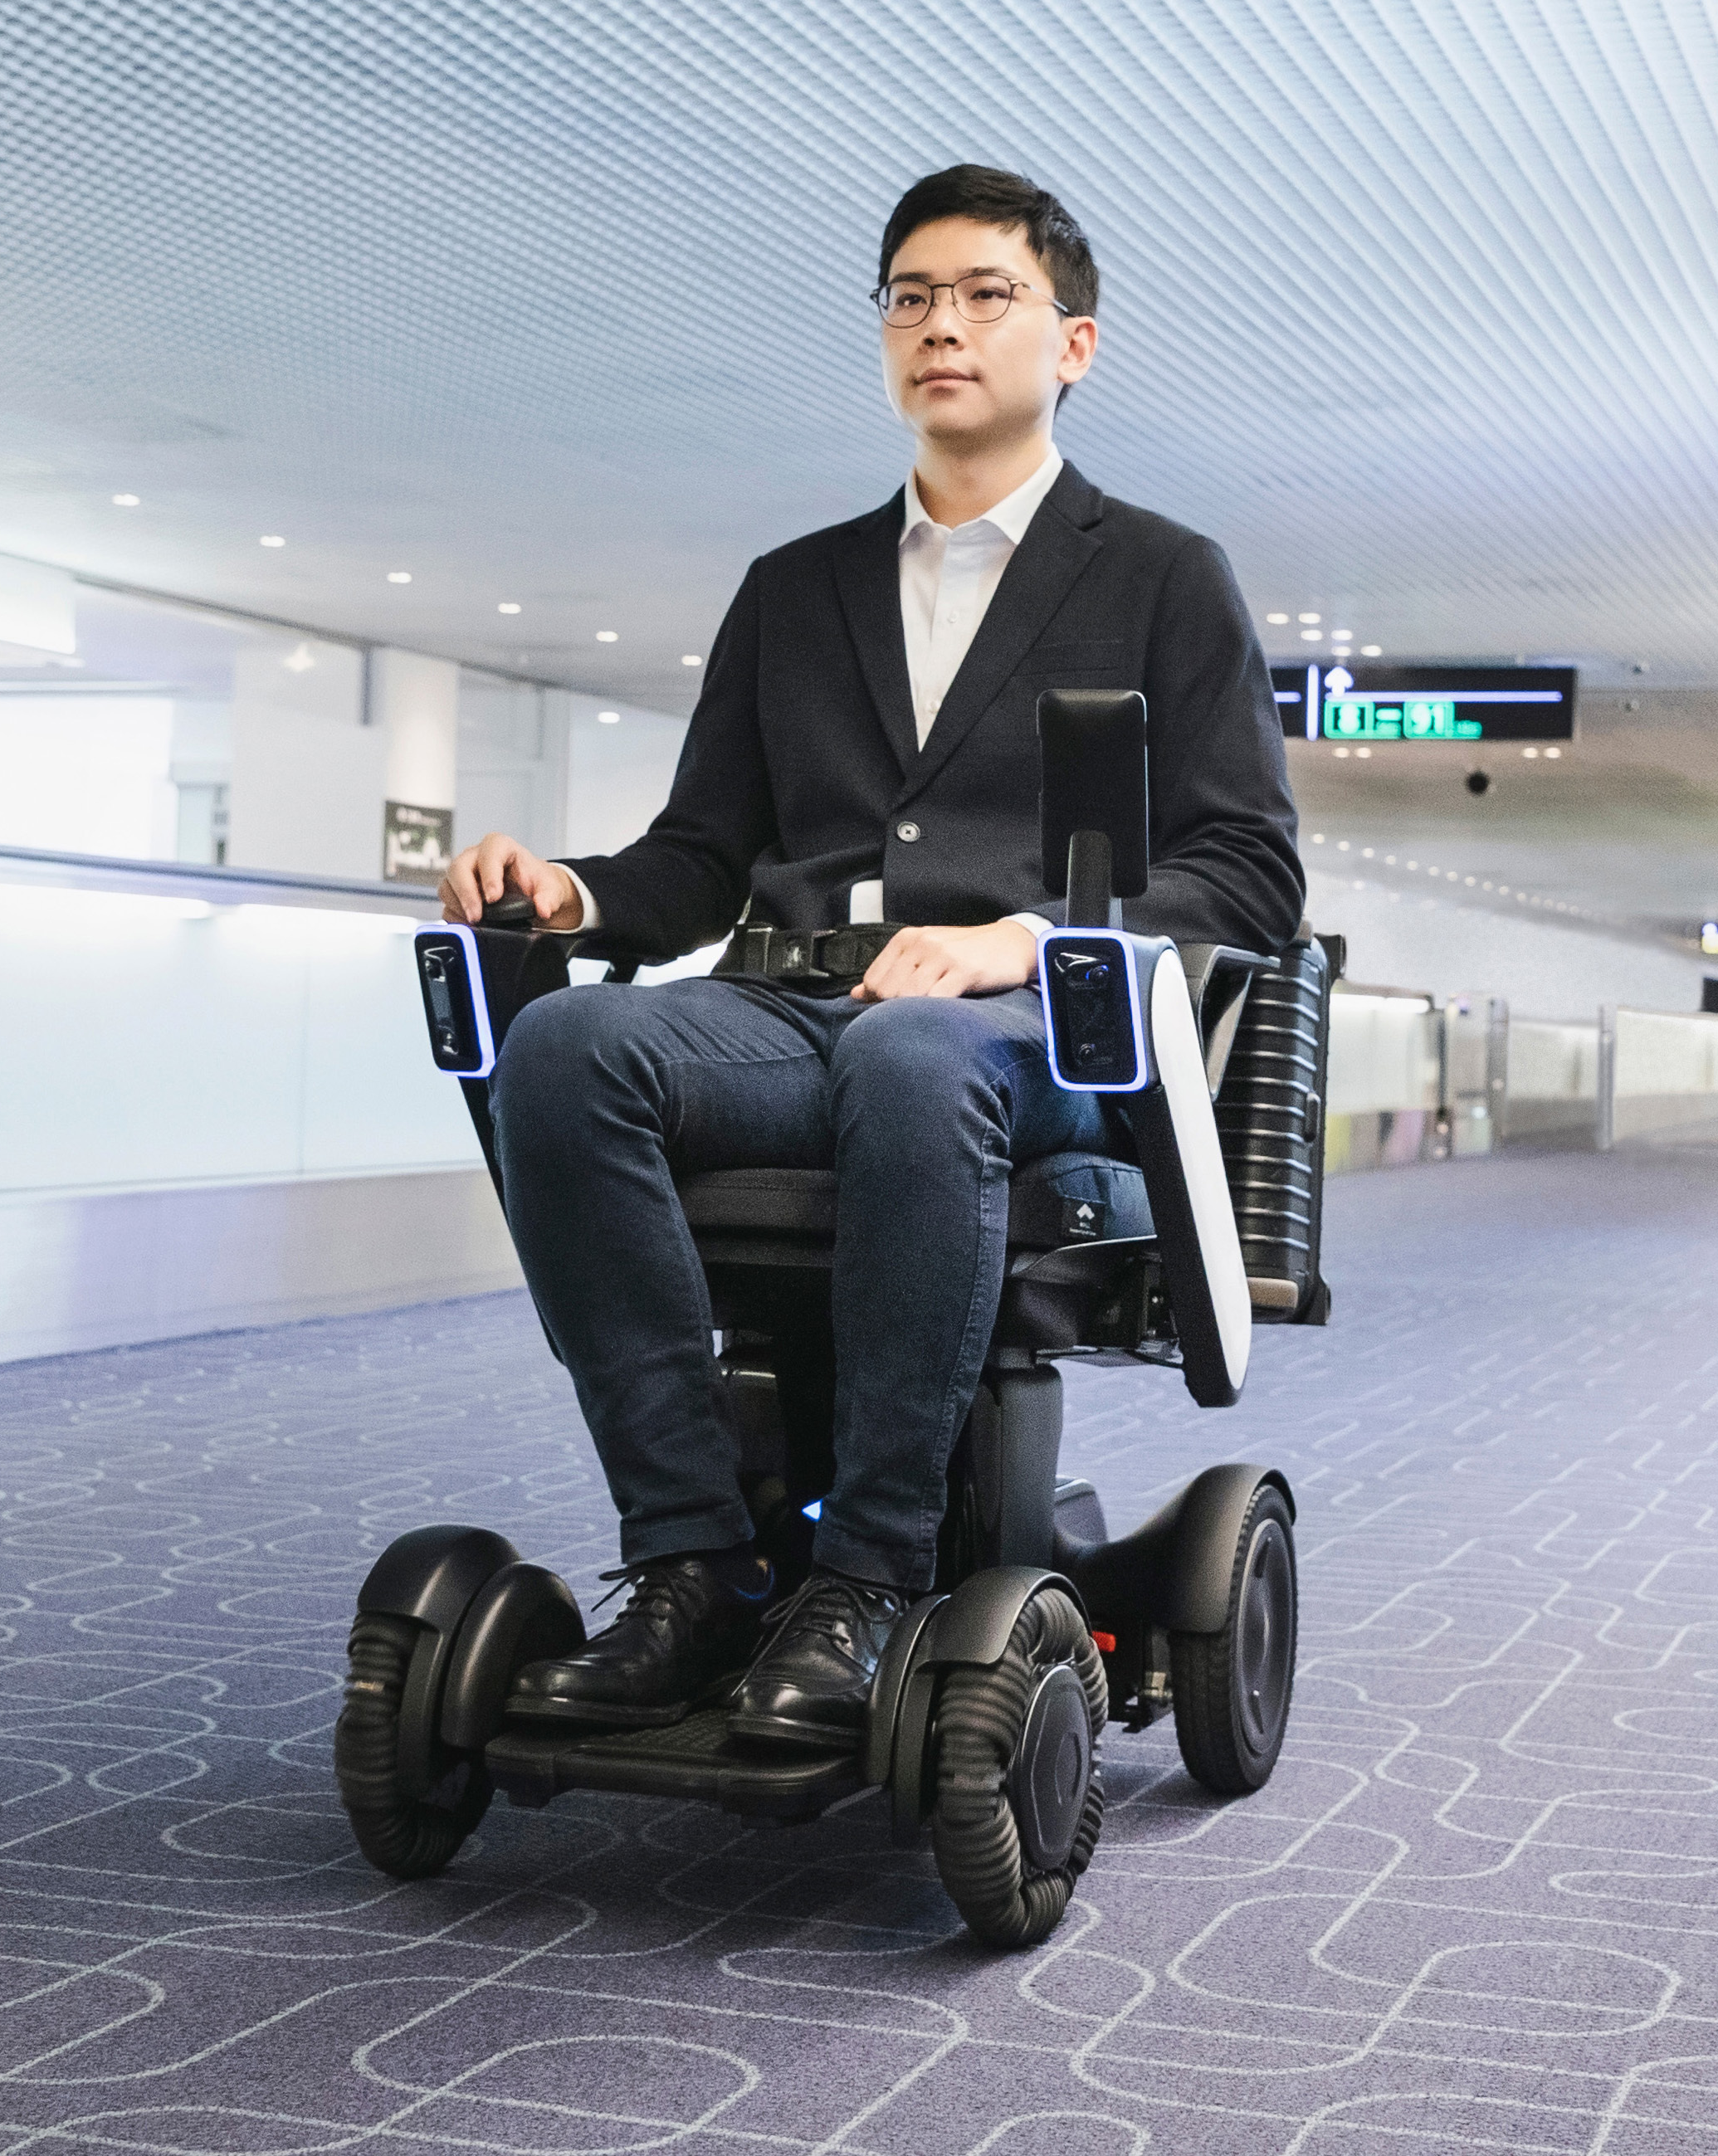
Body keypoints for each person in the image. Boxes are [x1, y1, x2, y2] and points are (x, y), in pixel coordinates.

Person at [437, 164, 1303, 1753]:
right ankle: (693, 1562)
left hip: (1035, 1046)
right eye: (909, 298)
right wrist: (568, 892)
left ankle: (863, 1581)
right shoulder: (796, 588)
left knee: (914, 1057)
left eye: (986, 295)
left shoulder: (1162, 576)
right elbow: (699, 857)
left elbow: (1247, 868)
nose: (941, 327)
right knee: (563, 1050)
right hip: (786, 1013)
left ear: (1075, 342)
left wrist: (1019, 943)